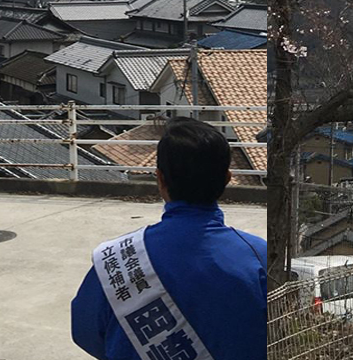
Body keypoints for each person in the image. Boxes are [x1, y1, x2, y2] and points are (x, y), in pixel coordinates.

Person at [71, 117, 267, 360]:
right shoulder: (261, 257)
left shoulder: (116, 259)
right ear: (227, 179)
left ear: (160, 179)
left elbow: (85, 333)